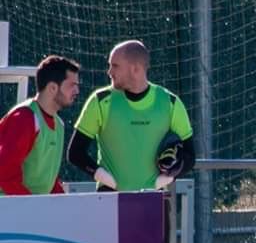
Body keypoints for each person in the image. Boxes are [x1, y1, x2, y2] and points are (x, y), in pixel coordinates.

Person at [67, 40, 194, 191]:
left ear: (135, 69)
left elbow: (190, 156)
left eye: (115, 66)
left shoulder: (170, 102)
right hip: (109, 199)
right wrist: (106, 179)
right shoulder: (100, 101)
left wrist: (161, 181)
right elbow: (75, 153)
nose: (109, 72)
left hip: (155, 199)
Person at [0, 55, 80, 195]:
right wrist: (32, 208)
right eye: (72, 86)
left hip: (31, 210)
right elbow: (4, 174)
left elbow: (48, 180)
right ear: (52, 88)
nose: (77, 91)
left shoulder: (59, 124)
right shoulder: (24, 118)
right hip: (9, 212)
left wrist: (64, 204)